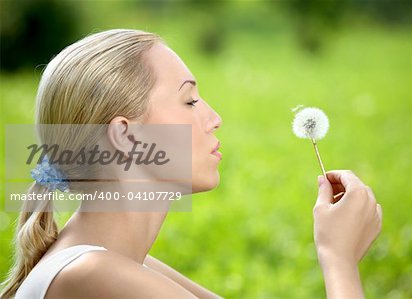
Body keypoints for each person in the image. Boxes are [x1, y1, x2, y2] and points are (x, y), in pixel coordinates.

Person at [0, 29, 382, 299]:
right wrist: (338, 259)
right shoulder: (92, 275)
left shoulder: (120, 262)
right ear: (125, 136)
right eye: (190, 101)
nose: (214, 117)